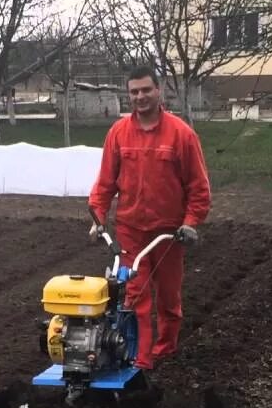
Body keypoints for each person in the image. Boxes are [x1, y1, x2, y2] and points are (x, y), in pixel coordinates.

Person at [88, 66, 212, 372]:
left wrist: (190, 223)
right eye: (134, 92)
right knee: (134, 295)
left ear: (160, 90)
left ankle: (165, 351)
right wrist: (98, 216)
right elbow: (105, 183)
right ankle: (139, 360)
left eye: (146, 90)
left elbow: (199, 188)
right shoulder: (118, 133)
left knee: (169, 299)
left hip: (169, 234)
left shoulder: (181, 134)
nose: (140, 97)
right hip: (131, 230)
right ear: (128, 94)